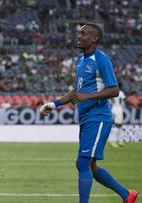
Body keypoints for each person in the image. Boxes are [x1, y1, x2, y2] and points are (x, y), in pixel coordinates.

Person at [40, 22, 138, 203]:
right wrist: (54, 104)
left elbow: (114, 89)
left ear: (95, 38)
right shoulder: (81, 60)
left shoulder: (102, 59)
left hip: (98, 118)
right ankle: (127, 195)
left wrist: (88, 97)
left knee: (82, 163)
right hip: (86, 119)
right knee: (91, 166)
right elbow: (77, 91)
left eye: (84, 34)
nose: (79, 36)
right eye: (78, 33)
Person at [110, 81, 126, 148]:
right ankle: (112, 141)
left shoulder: (112, 92)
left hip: (113, 108)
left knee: (118, 125)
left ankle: (120, 141)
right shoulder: (121, 92)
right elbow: (124, 101)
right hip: (119, 109)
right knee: (118, 125)